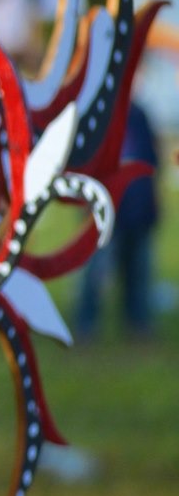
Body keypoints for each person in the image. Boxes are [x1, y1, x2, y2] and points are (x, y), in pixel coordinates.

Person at [76, 99, 160, 339]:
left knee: (138, 273)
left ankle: (138, 324)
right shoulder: (99, 115)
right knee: (96, 273)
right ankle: (85, 326)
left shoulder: (139, 115)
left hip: (138, 209)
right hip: (106, 211)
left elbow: (152, 163)